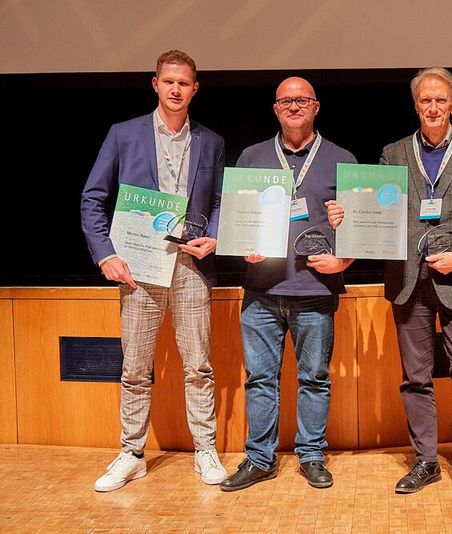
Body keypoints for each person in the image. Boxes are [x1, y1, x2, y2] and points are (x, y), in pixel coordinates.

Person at [327, 67, 452, 496]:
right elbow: (377, 213)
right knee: (416, 377)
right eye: (426, 100)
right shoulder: (393, 153)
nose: (433, 107)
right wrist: (347, 219)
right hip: (408, 280)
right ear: (415, 104)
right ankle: (425, 461)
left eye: (441, 100)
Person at [81, 50, 227, 491]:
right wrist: (106, 255)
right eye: (169, 82)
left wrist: (215, 235)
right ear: (156, 84)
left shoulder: (211, 141)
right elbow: (92, 198)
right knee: (135, 367)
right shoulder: (124, 134)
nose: (176, 89)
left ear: (195, 88)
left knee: (198, 365)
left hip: (190, 264)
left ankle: (205, 449)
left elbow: (220, 201)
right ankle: (132, 453)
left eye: (184, 83)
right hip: (139, 264)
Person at [220, 77, 356, 492]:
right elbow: (233, 215)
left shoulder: (342, 158)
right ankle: (259, 459)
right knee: (260, 379)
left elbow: (362, 226)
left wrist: (344, 258)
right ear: (275, 109)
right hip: (261, 291)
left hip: (315, 291)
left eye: (302, 100)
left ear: (316, 107)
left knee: (315, 378)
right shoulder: (252, 157)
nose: (294, 106)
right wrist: (243, 246)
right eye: (286, 101)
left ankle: (311, 456)